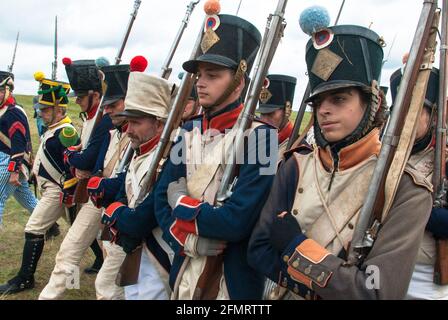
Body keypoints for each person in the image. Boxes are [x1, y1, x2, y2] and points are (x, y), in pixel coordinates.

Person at [248, 23, 433, 300]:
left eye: (339, 98)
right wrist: (328, 284)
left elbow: (377, 292)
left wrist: (295, 247)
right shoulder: (295, 166)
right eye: (318, 101)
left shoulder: (405, 188)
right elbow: (259, 250)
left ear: (372, 101)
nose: (324, 110)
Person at [154, 13, 277, 299]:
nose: (200, 83)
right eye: (200, 75)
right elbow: (162, 197)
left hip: (232, 284)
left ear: (239, 80)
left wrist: (180, 202)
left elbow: (237, 221)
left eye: (213, 75)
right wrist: (186, 240)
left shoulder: (263, 138)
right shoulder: (188, 130)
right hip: (185, 265)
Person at [89, 69, 175, 300]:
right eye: (128, 122)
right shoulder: (140, 152)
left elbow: (143, 218)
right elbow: (122, 193)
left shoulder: (168, 158)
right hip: (136, 250)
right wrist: (116, 206)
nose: (129, 130)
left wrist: (117, 213)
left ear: (159, 124)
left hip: (158, 255)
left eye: (136, 122)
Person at [38, 58, 115, 300]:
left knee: (96, 254)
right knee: (74, 249)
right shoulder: (90, 117)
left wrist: (73, 155)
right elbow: (83, 155)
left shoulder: (103, 118)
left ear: (94, 94)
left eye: (80, 97)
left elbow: (85, 158)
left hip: (104, 194)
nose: (77, 101)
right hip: (90, 192)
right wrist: (78, 157)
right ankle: (67, 289)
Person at [0, 73, 77, 294]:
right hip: (53, 188)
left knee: (37, 230)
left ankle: (25, 279)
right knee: (79, 235)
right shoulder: (55, 129)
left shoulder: (67, 132)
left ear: (59, 110)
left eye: (45, 109)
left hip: (60, 190)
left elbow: (72, 165)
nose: (40, 113)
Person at [389, 67, 448, 300]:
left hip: (427, 283)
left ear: (434, 115)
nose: (405, 119)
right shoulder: (383, 159)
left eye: (414, 110)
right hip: (380, 272)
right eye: (400, 110)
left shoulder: (444, 160)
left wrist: (407, 208)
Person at [0, 71, 37, 229]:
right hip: (4, 159)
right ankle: (48, 223)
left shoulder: (14, 112)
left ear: (7, 91)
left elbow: (18, 143)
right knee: (27, 199)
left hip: (10, 161)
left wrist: (14, 170)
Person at [257, 74, 295, 157]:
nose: (264, 121)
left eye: (271, 114)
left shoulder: (297, 147)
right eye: (262, 114)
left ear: (287, 110)